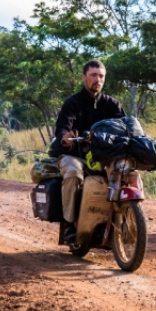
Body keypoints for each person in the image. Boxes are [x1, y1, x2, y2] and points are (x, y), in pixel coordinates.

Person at [54, 60, 126, 245]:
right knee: (72, 173)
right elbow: (62, 127)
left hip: (103, 156)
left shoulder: (112, 104)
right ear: (84, 77)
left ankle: (124, 220)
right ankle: (69, 225)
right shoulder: (72, 102)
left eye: (101, 76)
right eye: (93, 75)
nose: (97, 79)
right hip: (75, 155)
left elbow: (124, 126)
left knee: (125, 172)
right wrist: (66, 137)